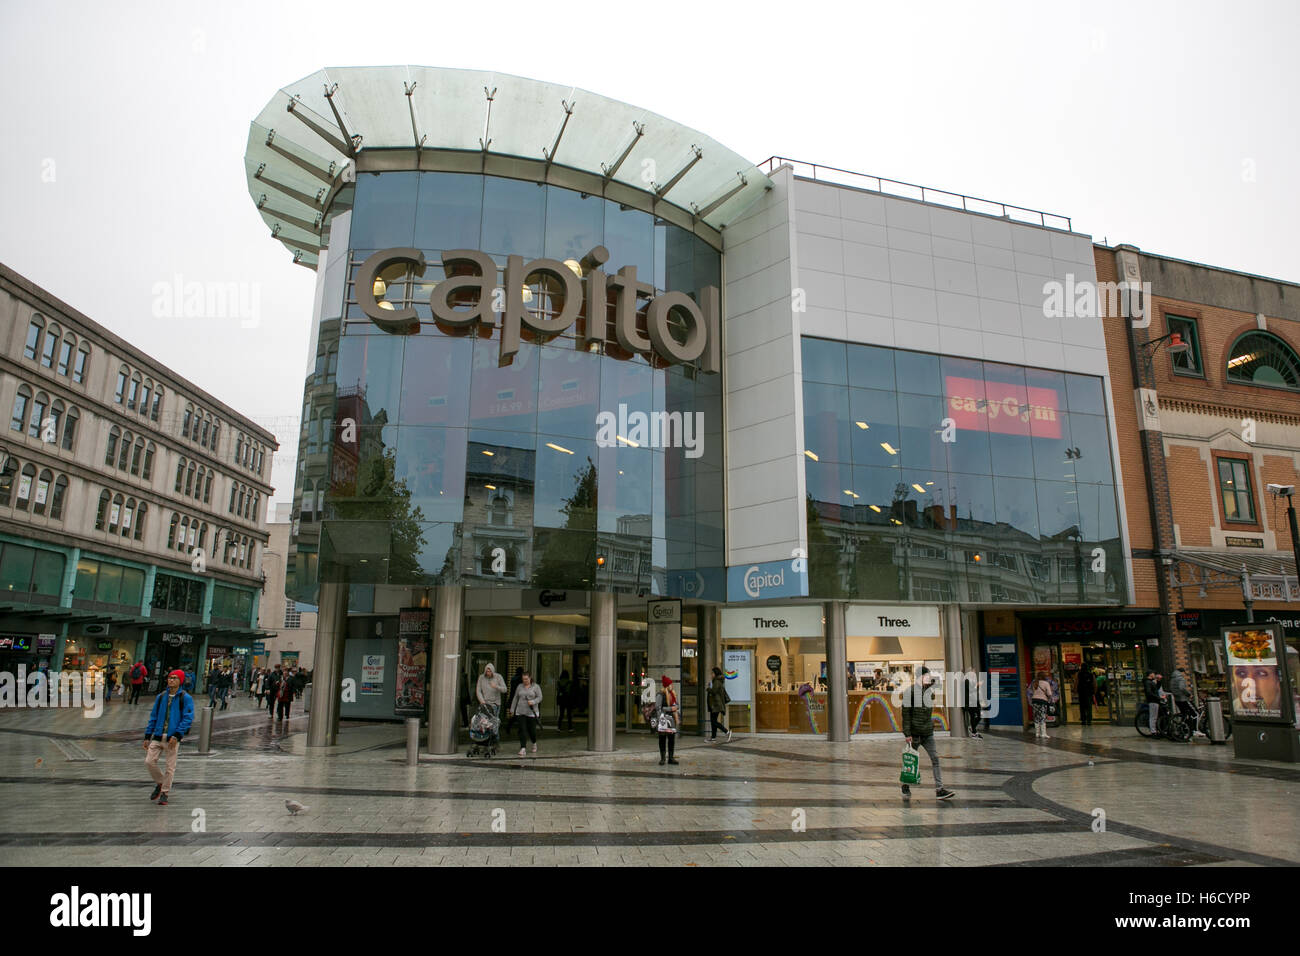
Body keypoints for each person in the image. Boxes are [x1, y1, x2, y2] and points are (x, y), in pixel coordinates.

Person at [900, 668, 955, 800]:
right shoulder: (910, 692)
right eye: (927, 676)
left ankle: (939, 789)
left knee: (935, 759)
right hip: (914, 734)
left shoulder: (929, 692)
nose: (929, 678)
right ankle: (905, 785)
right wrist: (907, 733)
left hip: (928, 732)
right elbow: (905, 714)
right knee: (910, 761)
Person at [143, 670, 194, 807]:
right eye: (170, 678)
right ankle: (160, 783)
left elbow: (187, 718)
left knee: (170, 767)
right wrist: (148, 736)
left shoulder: (186, 698)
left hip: (172, 737)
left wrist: (177, 735)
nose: (171, 680)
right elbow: (153, 717)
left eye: (175, 678)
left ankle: (165, 792)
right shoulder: (161, 697)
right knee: (149, 761)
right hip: (158, 736)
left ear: (180, 681)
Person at [509, 671, 543, 756]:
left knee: (532, 731)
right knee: (522, 729)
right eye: (523, 679)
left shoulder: (536, 686)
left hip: (531, 712)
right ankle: (523, 748)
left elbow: (540, 697)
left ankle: (534, 742)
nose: (525, 681)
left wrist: (533, 701)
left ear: (530, 678)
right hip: (520, 711)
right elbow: (515, 698)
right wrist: (512, 709)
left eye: (526, 679)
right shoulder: (519, 686)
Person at [655, 676, 680, 766]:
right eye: (670, 684)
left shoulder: (673, 694)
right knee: (662, 738)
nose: (672, 686)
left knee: (671, 739)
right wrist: (670, 708)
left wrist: (676, 707)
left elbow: (677, 705)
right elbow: (658, 707)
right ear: (667, 685)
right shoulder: (660, 694)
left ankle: (670, 757)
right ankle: (662, 758)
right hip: (663, 720)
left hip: (671, 720)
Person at [706, 666, 732, 742]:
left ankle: (727, 732)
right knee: (713, 721)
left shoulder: (717, 682)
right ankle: (713, 737)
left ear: (715, 673)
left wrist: (708, 688)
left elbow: (714, 691)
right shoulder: (716, 681)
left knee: (714, 721)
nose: (711, 674)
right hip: (714, 704)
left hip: (716, 704)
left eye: (712, 673)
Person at [1028, 671, 1054, 739]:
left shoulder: (1034, 683)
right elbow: (1049, 694)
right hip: (1042, 701)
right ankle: (1043, 734)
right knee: (1042, 716)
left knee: (1036, 717)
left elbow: (1031, 692)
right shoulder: (1046, 683)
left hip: (1034, 701)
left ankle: (1037, 733)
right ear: (1044, 676)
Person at [1143, 670, 1166, 737]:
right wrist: (1158, 697)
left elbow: (1156, 688)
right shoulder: (1148, 682)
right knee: (1153, 717)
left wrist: (1158, 680)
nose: (1154, 675)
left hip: (1155, 700)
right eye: (1153, 673)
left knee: (1155, 716)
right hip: (1153, 701)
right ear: (1150, 674)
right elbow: (1149, 692)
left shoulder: (1150, 681)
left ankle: (1157, 730)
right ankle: (1153, 732)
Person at [961, 672, 982, 738]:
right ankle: (973, 731)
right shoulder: (966, 681)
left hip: (973, 701)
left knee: (977, 716)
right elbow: (971, 690)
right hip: (970, 703)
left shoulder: (970, 681)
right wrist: (977, 685)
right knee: (974, 716)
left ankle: (973, 730)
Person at [506, 667, 524, 732]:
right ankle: (520, 728)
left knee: (516, 714)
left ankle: (510, 726)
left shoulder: (513, 679)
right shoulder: (521, 680)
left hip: (513, 698)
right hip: (519, 699)